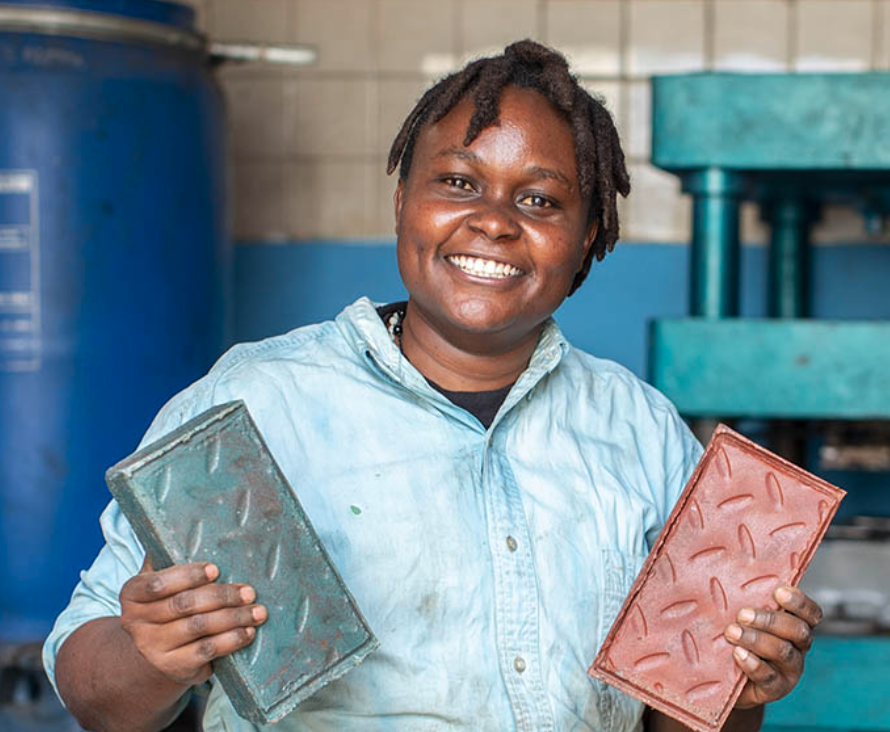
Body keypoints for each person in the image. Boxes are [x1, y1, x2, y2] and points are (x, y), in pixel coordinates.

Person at [44, 41, 823, 732]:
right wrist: (152, 656)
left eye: (540, 200)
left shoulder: (636, 426)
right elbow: (93, 692)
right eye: (457, 182)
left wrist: (741, 686)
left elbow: (679, 718)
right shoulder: (259, 402)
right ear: (403, 202)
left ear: (588, 235)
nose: (493, 221)